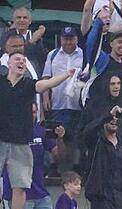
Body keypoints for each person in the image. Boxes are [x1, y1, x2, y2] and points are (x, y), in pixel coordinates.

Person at [1, 52, 74, 209]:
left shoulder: (28, 85)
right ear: (8, 63)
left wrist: (66, 74)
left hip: (21, 143)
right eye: (17, 59)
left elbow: (45, 85)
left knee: (20, 186)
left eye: (24, 60)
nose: (21, 62)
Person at [2, 105, 64, 209]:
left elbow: (58, 156)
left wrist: (60, 138)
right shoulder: (8, 132)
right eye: (29, 112)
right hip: (18, 193)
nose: (32, 115)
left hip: (40, 191)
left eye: (35, 112)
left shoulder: (40, 131)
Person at [43, 26, 84, 156]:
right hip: (57, 105)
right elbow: (46, 77)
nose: (68, 42)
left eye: (71, 39)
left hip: (77, 105)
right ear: (61, 39)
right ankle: (57, 169)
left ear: (76, 39)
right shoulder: (52, 55)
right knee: (56, 139)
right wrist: (45, 97)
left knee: (75, 140)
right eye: (65, 39)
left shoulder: (84, 55)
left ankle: (75, 169)